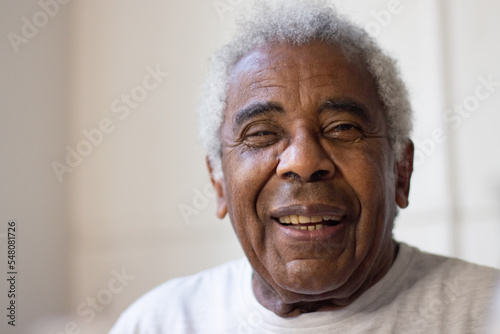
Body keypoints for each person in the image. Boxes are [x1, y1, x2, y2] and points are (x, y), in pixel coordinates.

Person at [109, 1, 499, 333]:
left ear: (401, 170)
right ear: (219, 182)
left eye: (343, 128)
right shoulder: (159, 322)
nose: (304, 161)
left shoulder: (485, 312)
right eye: (261, 134)